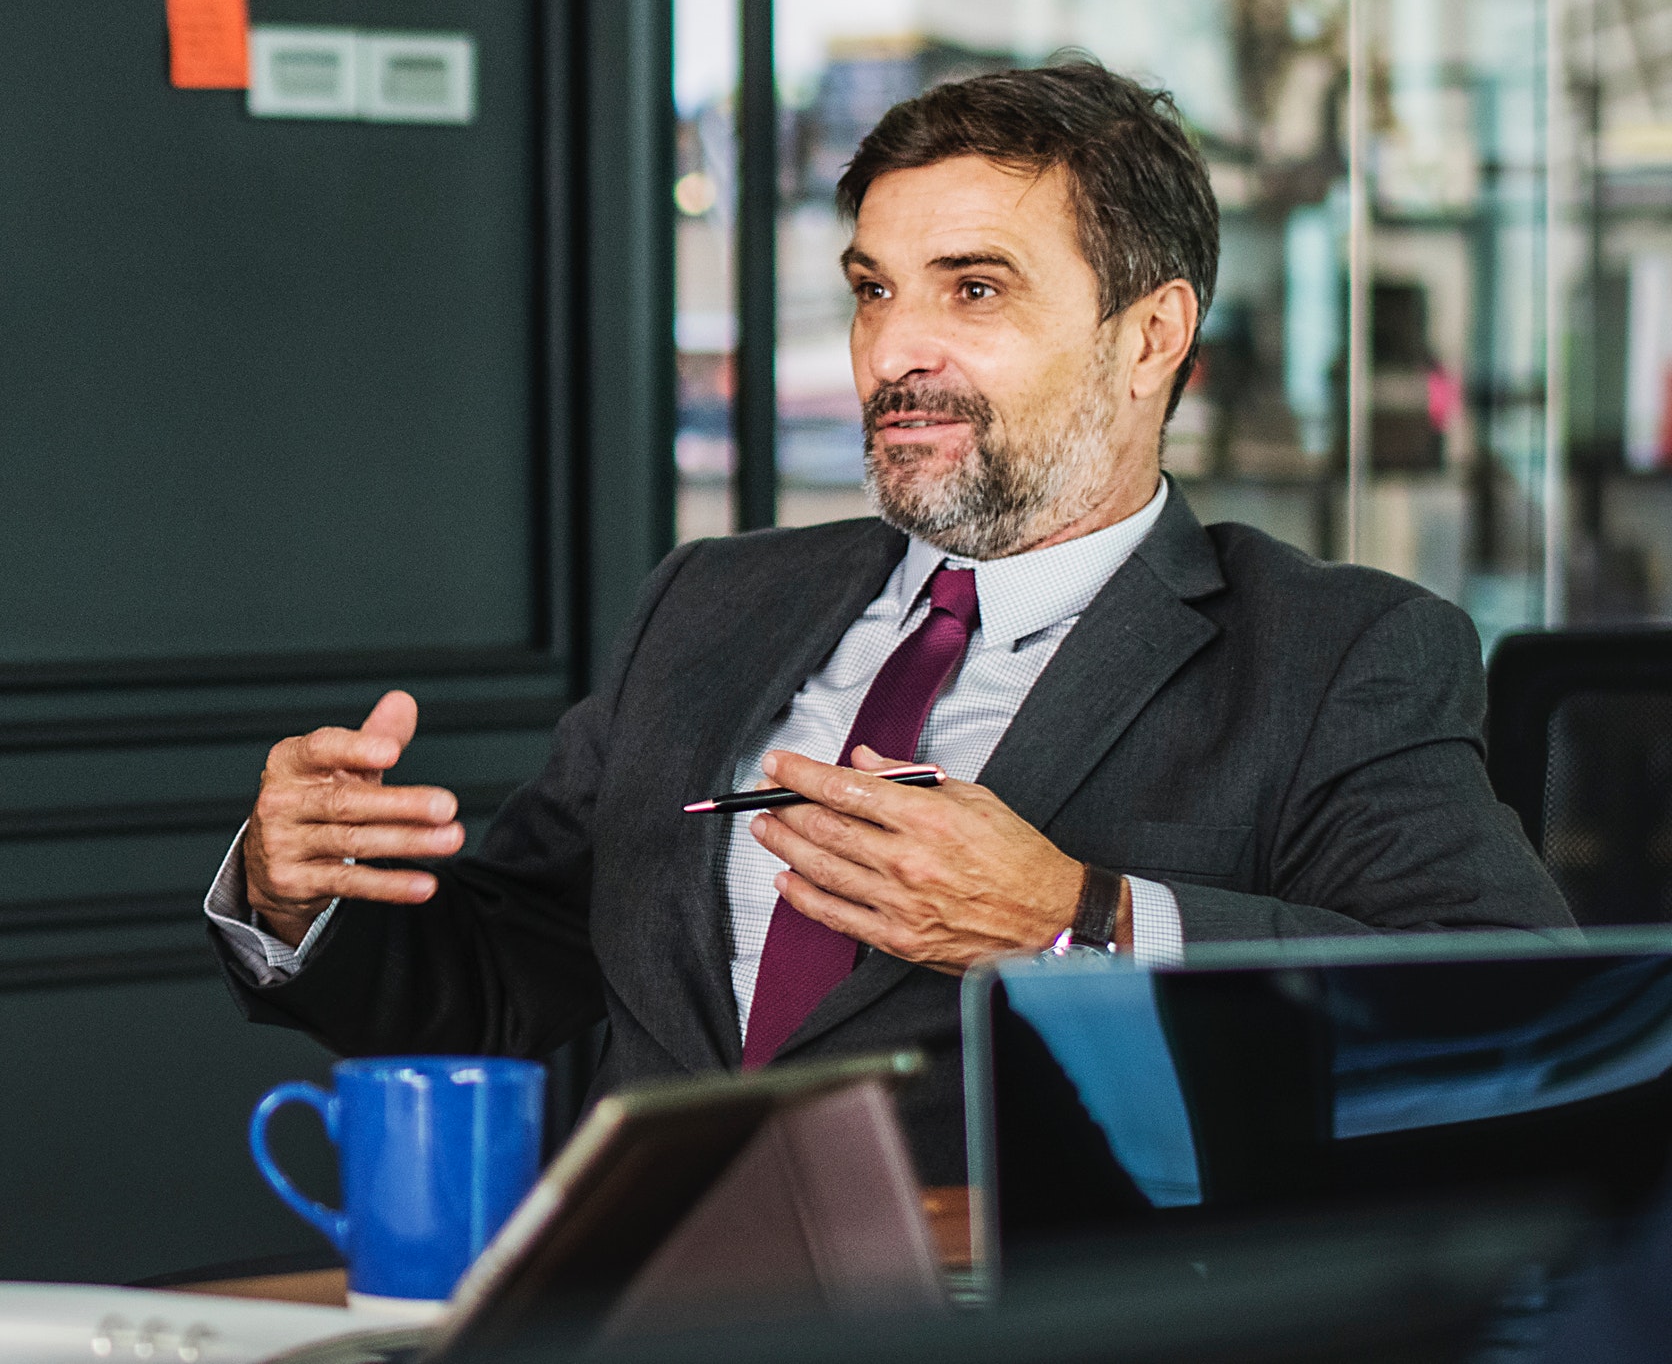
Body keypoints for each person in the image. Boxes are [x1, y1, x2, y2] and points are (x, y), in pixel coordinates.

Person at [206, 59, 1570, 1182]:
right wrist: (300, 891)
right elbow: (530, 971)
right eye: (872, 288)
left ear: (1152, 334)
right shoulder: (712, 600)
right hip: (647, 1314)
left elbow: (1514, 1021)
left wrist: (1074, 917)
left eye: (972, 289)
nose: (893, 350)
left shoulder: (1337, 653)